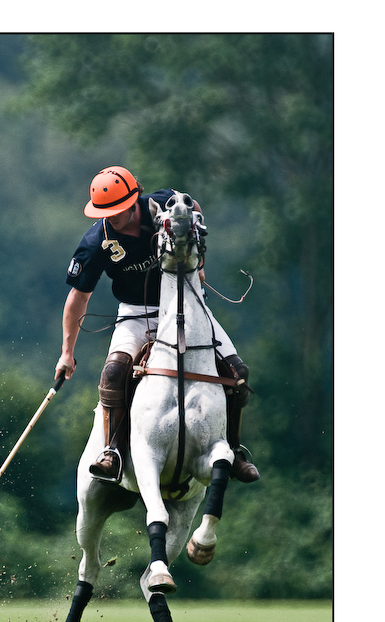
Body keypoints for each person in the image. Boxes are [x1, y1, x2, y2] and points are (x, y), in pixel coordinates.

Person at [54, 166, 259, 484]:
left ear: (134, 199)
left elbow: (195, 211)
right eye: (105, 212)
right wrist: (67, 352)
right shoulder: (96, 242)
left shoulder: (165, 204)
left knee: (237, 372)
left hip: (187, 303)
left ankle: (233, 448)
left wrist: (199, 261)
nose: (112, 217)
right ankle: (113, 452)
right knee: (113, 372)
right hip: (136, 312)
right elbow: (77, 299)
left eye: (118, 210)